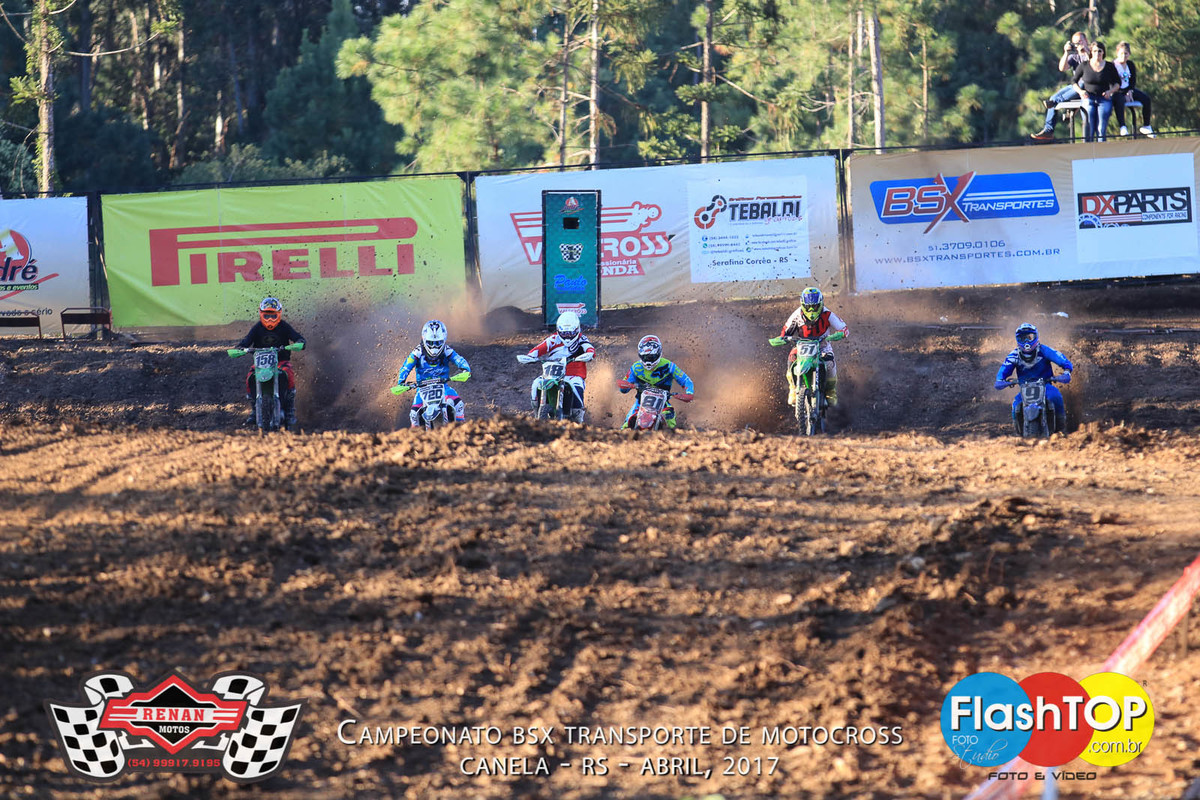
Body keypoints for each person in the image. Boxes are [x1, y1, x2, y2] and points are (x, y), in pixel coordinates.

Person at [236, 297, 305, 428]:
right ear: (261, 314)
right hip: (260, 364)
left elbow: (297, 337)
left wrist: (300, 342)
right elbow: (246, 341)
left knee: (288, 373)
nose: (270, 319)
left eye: (273, 316)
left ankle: (290, 411)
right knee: (250, 377)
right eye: (266, 316)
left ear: (279, 314)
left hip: (281, 362)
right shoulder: (257, 328)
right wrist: (240, 348)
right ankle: (254, 410)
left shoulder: (284, 326)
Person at [993, 323, 1073, 434]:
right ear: (1017, 339)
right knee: (1016, 405)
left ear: (1036, 336)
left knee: (1055, 397)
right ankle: (1019, 431)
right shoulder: (1014, 356)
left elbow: (1061, 359)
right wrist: (1000, 380)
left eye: (1030, 337)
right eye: (1022, 338)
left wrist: (1067, 371)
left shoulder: (1044, 350)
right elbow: (1003, 370)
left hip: (1045, 385)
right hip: (1025, 388)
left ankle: (1061, 426)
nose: (1026, 342)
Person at [518, 310, 594, 423]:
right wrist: (530, 357)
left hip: (574, 375)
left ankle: (579, 418)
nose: (567, 336)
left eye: (570, 333)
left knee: (577, 388)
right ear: (558, 330)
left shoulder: (581, 339)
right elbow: (539, 349)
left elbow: (589, 348)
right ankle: (537, 413)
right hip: (551, 374)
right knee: (536, 384)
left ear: (577, 330)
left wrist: (589, 354)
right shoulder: (553, 339)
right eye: (564, 333)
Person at [780, 286, 849, 407]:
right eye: (809, 306)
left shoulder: (827, 314)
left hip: (823, 346)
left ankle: (830, 391)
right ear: (803, 305)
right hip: (802, 346)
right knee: (792, 358)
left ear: (820, 304)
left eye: (815, 306)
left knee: (829, 362)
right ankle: (793, 389)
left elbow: (844, 328)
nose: (811, 310)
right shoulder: (797, 314)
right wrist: (782, 338)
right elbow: (786, 330)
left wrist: (840, 334)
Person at [397, 319, 471, 427]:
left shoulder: (446, 350)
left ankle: (463, 430)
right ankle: (414, 435)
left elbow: (459, 359)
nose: (434, 347)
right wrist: (401, 382)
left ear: (444, 340)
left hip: (443, 386)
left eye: (438, 343)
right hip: (422, 389)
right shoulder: (417, 352)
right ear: (424, 339)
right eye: (431, 343)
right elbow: (406, 367)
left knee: (458, 405)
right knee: (414, 414)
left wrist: (465, 369)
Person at [617, 335, 694, 429]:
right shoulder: (636, 368)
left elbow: (686, 380)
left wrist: (689, 393)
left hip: (663, 403)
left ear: (659, 353)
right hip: (640, 403)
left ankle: (670, 435)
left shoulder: (669, 366)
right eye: (645, 357)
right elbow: (623, 389)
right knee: (627, 424)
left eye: (651, 357)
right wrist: (628, 386)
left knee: (670, 422)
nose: (648, 361)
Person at [1032, 32, 1091, 141]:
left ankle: (1057, 104)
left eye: (1080, 41)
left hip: (1089, 85)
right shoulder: (1074, 57)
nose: (1078, 45)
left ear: (1086, 40)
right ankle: (1048, 130)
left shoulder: (1094, 52)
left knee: (1081, 85)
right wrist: (1066, 53)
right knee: (1053, 98)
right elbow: (1062, 68)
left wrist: (1086, 51)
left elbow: (1094, 65)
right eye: (1075, 43)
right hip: (1076, 85)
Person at [1072, 41, 1120, 142]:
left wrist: (1110, 91)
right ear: (1091, 52)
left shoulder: (1109, 66)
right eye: (1094, 51)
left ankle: (1101, 149)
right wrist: (1081, 91)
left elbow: (1117, 83)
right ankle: (1087, 149)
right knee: (1089, 127)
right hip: (1088, 98)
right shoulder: (1084, 65)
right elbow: (1074, 81)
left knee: (1101, 128)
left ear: (1103, 52)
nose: (1097, 53)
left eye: (1099, 51)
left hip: (1104, 99)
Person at [1112, 41, 1155, 138]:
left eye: (1126, 53)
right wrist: (1124, 93)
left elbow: (1133, 80)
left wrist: (1130, 91)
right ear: (1117, 53)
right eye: (1121, 53)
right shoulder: (1112, 65)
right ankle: (1122, 126)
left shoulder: (1130, 64)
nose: (1123, 56)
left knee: (1146, 99)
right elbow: (1113, 82)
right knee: (1119, 101)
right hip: (1117, 91)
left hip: (1129, 90)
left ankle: (1146, 125)